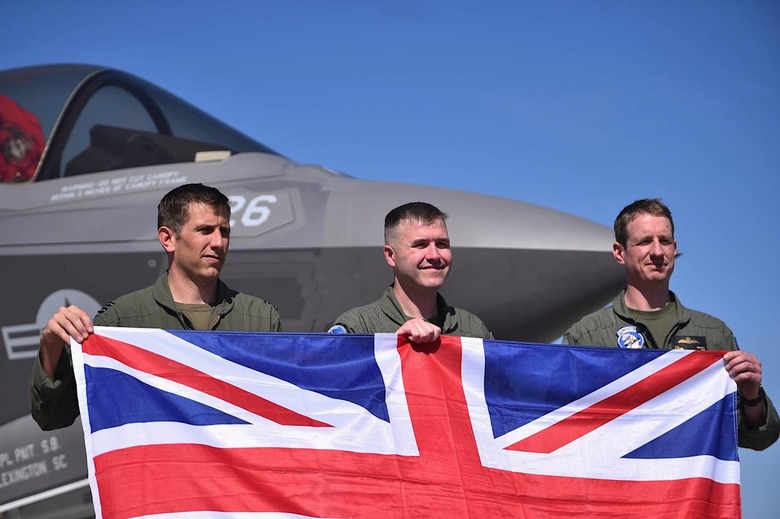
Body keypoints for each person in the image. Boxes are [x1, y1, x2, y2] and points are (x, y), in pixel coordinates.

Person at [30, 183, 283, 430]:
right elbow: (53, 417)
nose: (218, 242)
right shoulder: (121, 321)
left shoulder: (261, 319)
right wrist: (51, 344)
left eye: (224, 231)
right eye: (205, 230)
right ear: (168, 239)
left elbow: (285, 413)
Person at [563, 198, 779, 450]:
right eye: (645, 241)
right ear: (619, 252)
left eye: (664, 241)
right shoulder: (587, 337)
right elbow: (562, 427)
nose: (657, 252)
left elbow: (759, 439)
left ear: (674, 248)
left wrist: (752, 395)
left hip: (690, 474)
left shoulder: (713, 335)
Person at [328, 202, 492, 342]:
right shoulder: (359, 328)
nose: (434, 255)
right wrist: (393, 346)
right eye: (420, 245)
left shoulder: (472, 331)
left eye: (442, 244)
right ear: (390, 255)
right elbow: (327, 367)